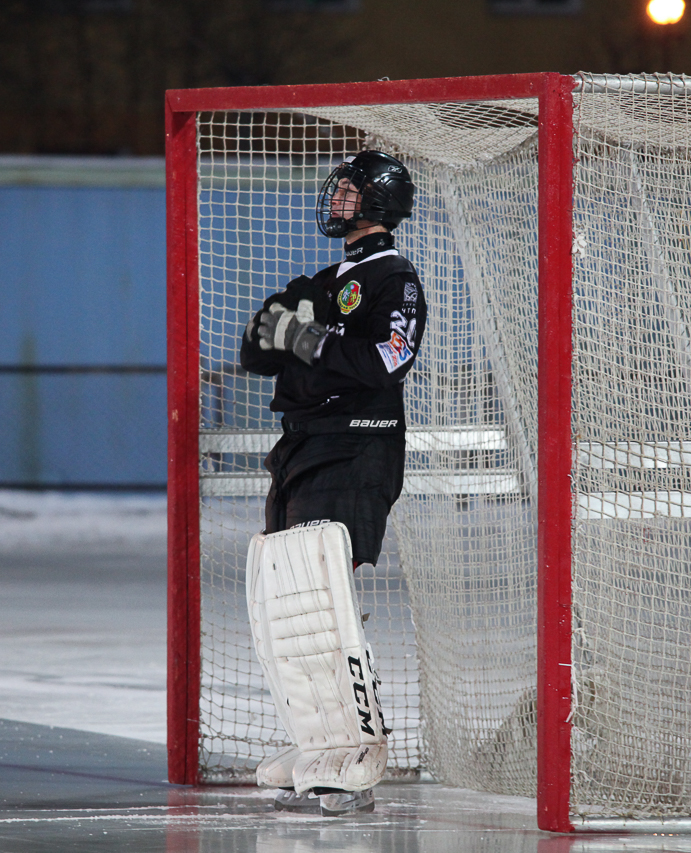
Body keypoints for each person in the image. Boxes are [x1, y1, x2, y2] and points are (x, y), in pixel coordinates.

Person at [239, 150, 423, 816]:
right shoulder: (324, 278)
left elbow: (389, 358)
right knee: (290, 600)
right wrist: (286, 330)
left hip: (358, 445)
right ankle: (317, 738)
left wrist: (309, 340)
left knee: (326, 594)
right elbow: (254, 347)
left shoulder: (393, 277)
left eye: (348, 190)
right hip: (302, 447)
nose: (335, 198)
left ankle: (358, 750)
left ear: (377, 202)